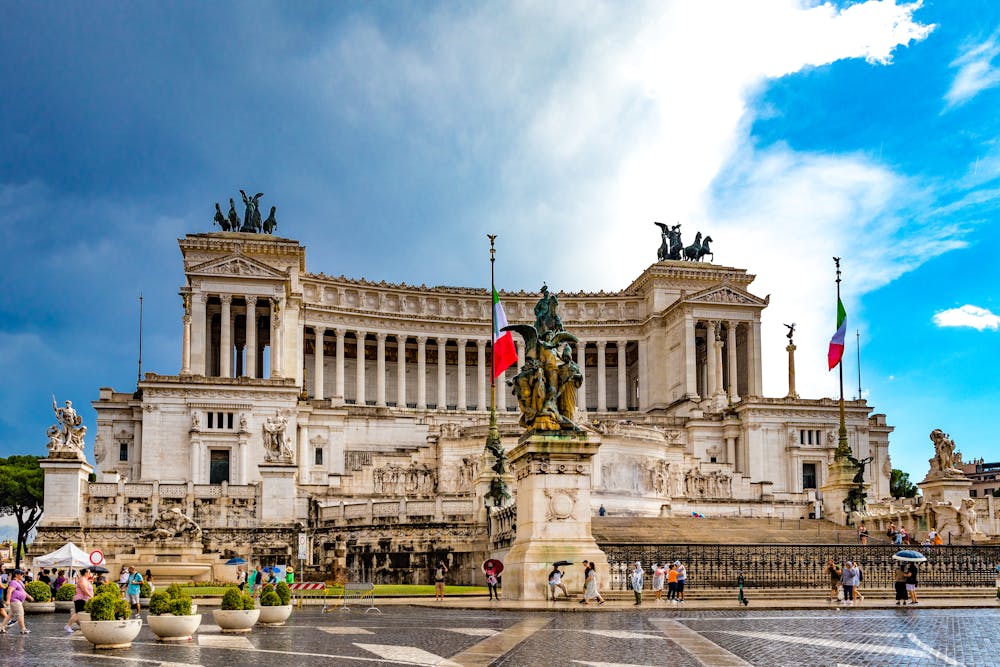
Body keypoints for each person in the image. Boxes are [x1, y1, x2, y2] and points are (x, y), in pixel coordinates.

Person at [6, 569, 33, 634]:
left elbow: (23, 591)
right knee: (20, 614)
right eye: (21, 574)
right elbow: (9, 591)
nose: (22, 575)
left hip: (18, 601)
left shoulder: (19, 582)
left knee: (10, 615)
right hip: (15, 600)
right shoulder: (13, 582)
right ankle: (23, 629)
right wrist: (7, 600)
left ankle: (1, 627)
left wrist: (29, 597)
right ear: (16, 575)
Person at [66, 568, 93, 633]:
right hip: (81, 599)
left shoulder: (85, 580)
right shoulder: (82, 580)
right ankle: (68, 626)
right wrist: (91, 596)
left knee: (80, 613)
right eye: (89, 572)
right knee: (78, 614)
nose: (90, 574)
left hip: (84, 599)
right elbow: (84, 589)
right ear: (86, 573)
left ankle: (81, 626)